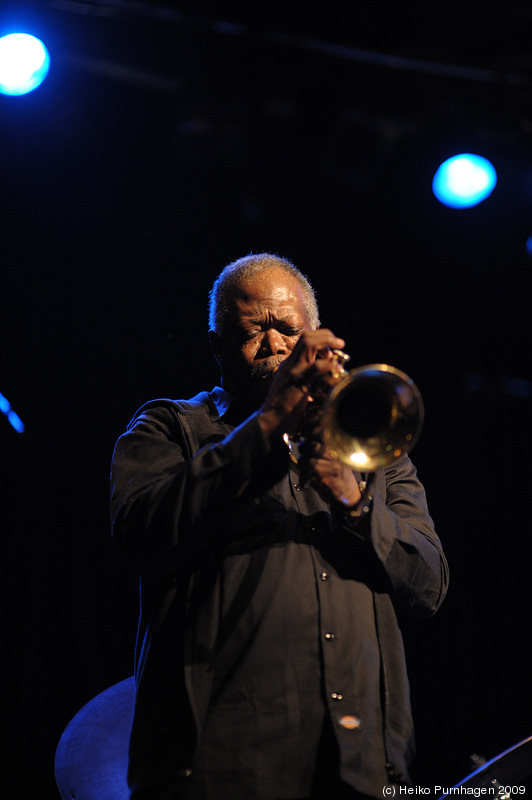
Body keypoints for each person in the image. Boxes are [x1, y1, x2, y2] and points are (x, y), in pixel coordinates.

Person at [110, 252, 449, 800]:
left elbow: (429, 586)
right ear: (219, 348)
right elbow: (142, 536)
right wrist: (270, 425)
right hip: (221, 768)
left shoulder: (373, 450)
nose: (274, 346)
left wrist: (354, 499)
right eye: (254, 332)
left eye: (288, 329)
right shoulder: (170, 428)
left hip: (364, 769)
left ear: (315, 338)